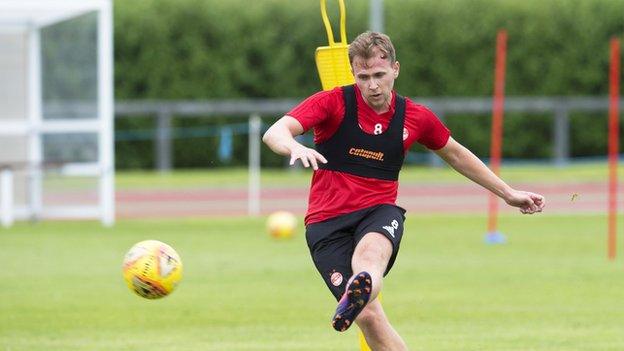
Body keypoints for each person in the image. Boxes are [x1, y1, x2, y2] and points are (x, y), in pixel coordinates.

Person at [262, 31, 545, 350]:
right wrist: (291, 147)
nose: (372, 85)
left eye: (380, 75)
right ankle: (361, 295)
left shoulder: (415, 116)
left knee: (369, 255)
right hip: (326, 224)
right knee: (369, 318)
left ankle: (362, 282)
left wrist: (508, 193)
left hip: (378, 212)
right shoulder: (333, 102)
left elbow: (456, 154)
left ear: (395, 69)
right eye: (363, 76)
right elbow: (275, 132)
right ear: (353, 73)